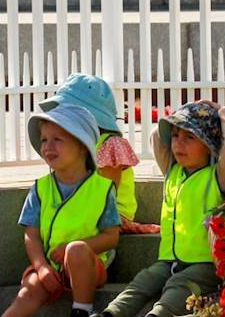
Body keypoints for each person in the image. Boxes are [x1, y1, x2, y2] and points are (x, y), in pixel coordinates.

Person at [67, 100, 225, 317]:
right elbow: (155, 136)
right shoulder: (173, 171)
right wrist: (187, 114)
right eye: (175, 136)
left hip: (208, 264)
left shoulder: (219, 176)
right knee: (144, 280)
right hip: (170, 260)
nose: (178, 144)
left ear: (209, 144)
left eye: (189, 137)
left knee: (178, 286)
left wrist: (224, 114)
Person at [0, 105, 120, 317]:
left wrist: (74, 246)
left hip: (91, 265)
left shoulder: (102, 189)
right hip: (52, 265)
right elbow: (31, 235)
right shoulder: (40, 188)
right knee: (30, 288)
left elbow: (111, 237)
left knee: (77, 250)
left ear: (82, 146)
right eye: (45, 140)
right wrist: (42, 268)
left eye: (58, 140)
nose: (48, 147)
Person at [42, 73, 158, 233]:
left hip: (111, 211)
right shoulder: (74, 143)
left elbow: (107, 193)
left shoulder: (109, 143)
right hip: (84, 206)